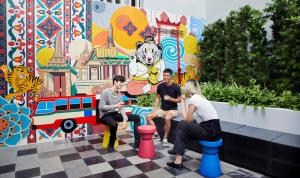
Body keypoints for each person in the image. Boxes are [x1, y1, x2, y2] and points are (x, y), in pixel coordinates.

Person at [167, 79, 222, 170]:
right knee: (182, 131)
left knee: (181, 124)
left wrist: (184, 103)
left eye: (184, 86)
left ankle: (176, 149)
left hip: (210, 130)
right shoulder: (198, 98)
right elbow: (189, 119)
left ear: (188, 88)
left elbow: (187, 120)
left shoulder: (194, 99)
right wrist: (183, 102)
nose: (183, 88)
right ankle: (177, 161)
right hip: (213, 130)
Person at [98, 75, 141, 152]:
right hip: (104, 115)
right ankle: (111, 144)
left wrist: (124, 120)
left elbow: (121, 108)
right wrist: (115, 105)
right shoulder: (106, 92)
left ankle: (137, 142)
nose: (122, 84)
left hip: (114, 114)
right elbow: (101, 107)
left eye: (123, 83)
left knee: (137, 117)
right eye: (120, 82)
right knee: (114, 124)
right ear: (115, 82)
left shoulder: (119, 94)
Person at [146, 68, 181, 147]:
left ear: (170, 76)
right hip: (162, 109)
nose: (166, 77)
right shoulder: (160, 86)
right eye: (164, 75)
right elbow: (158, 97)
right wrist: (155, 107)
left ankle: (165, 138)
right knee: (148, 117)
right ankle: (156, 134)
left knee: (167, 118)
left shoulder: (176, 87)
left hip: (173, 110)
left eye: (167, 76)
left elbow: (179, 100)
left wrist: (170, 99)